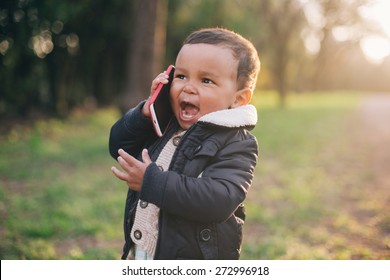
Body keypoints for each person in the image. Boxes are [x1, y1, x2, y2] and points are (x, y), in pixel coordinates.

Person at [109, 27, 261, 260]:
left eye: (206, 80)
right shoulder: (165, 124)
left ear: (238, 99)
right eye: (181, 76)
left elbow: (219, 199)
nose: (188, 87)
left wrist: (151, 182)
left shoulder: (237, 142)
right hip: (144, 252)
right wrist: (144, 114)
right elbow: (118, 146)